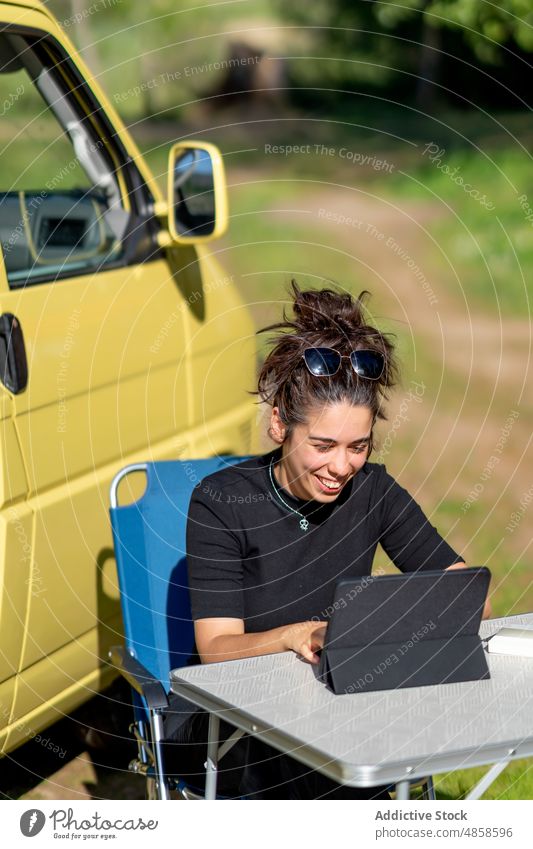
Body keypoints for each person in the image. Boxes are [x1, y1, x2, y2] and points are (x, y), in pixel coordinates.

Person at [165, 281, 491, 799]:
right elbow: (216, 649)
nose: (341, 466)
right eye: (322, 445)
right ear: (279, 426)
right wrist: (296, 635)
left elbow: (467, 592)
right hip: (237, 727)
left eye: (358, 446)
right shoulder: (220, 502)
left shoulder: (373, 490)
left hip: (336, 707)